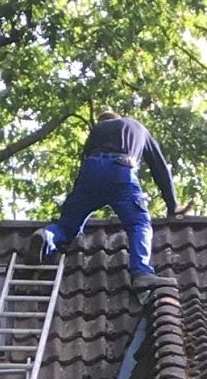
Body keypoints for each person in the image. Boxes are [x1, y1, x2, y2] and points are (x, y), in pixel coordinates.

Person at [27, 110, 189, 286]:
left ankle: (46, 237)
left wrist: (70, 207)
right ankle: (141, 272)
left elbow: (84, 164)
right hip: (121, 170)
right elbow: (160, 168)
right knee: (138, 223)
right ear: (118, 118)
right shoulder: (137, 127)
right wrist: (172, 206)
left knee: (67, 226)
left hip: (91, 171)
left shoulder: (96, 131)